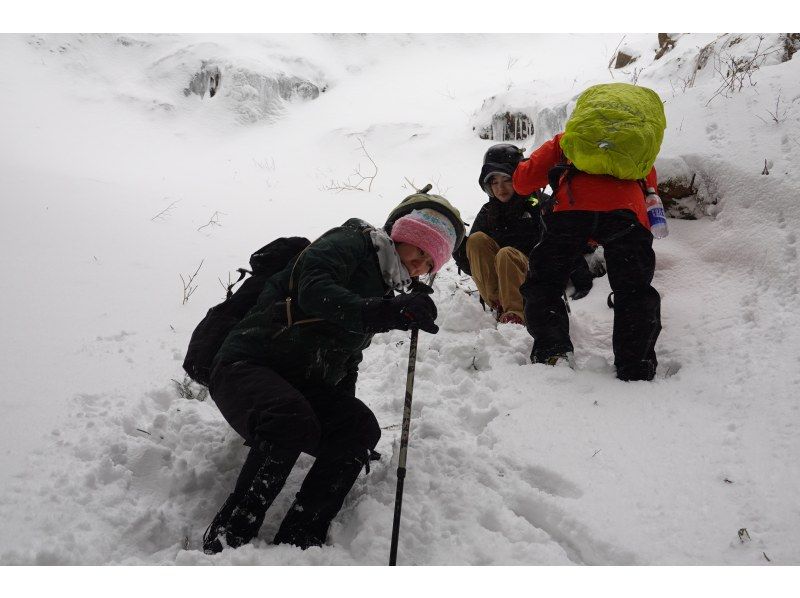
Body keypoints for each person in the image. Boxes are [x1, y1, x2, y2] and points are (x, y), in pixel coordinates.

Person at [202, 192, 463, 553]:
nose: (419, 265)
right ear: (399, 234)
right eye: (418, 250)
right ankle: (229, 535)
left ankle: (300, 542)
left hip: (297, 383)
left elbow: (344, 362)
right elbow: (314, 292)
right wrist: (387, 313)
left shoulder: (383, 290)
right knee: (288, 417)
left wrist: (345, 432)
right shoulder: (350, 242)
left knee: (359, 428)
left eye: (429, 263)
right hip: (245, 365)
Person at [513, 133, 661, 381]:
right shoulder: (636, 144)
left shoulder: (569, 139)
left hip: (571, 211)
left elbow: (521, 182)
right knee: (634, 289)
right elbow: (651, 190)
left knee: (545, 283)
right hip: (626, 213)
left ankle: (553, 353)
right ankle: (636, 364)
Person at [453, 144, 598, 325]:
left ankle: (516, 313)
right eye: (494, 182)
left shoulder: (539, 205)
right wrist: (456, 245)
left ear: (517, 178)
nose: (500, 188)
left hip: (535, 276)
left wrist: (581, 278)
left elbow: (562, 243)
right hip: (502, 284)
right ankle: (501, 303)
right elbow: (473, 259)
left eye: (506, 180)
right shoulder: (489, 211)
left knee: (507, 254)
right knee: (475, 240)